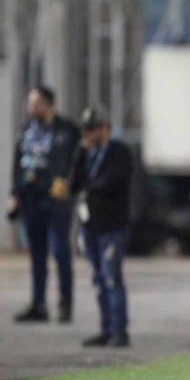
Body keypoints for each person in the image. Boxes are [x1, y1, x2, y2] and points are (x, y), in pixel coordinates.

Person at [7, 86, 80, 323]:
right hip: (31, 198)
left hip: (57, 199)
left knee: (60, 251)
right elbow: (17, 163)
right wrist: (14, 194)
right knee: (36, 253)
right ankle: (38, 305)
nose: (30, 107)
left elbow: (78, 161)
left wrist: (70, 185)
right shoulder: (26, 130)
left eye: (35, 103)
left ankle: (65, 303)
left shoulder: (67, 130)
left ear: (48, 105)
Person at [69, 107, 133, 347]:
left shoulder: (119, 151)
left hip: (112, 226)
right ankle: (106, 329)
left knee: (111, 277)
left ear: (103, 127)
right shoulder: (88, 153)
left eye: (90, 129)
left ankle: (119, 330)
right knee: (98, 279)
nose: (86, 134)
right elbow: (73, 185)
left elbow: (113, 182)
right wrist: (80, 152)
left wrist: (90, 188)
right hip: (91, 225)